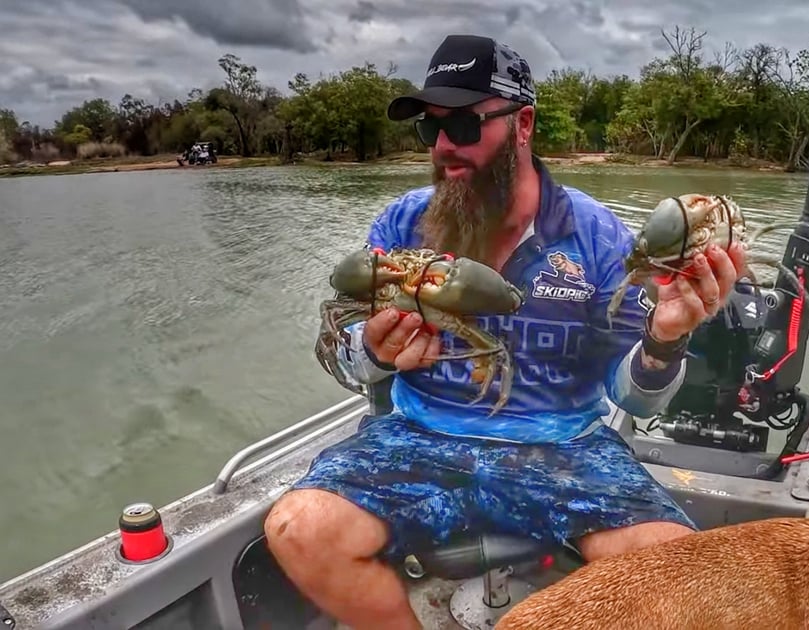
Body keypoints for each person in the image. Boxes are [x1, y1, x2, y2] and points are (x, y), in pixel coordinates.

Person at [264, 34, 748, 630]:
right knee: (298, 529)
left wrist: (665, 338)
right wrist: (372, 351)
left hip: (567, 449)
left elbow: (633, 398)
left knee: (684, 579)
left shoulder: (596, 237)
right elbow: (343, 354)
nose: (444, 148)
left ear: (522, 125)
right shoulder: (403, 223)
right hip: (417, 438)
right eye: (430, 129)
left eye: (465, 126)